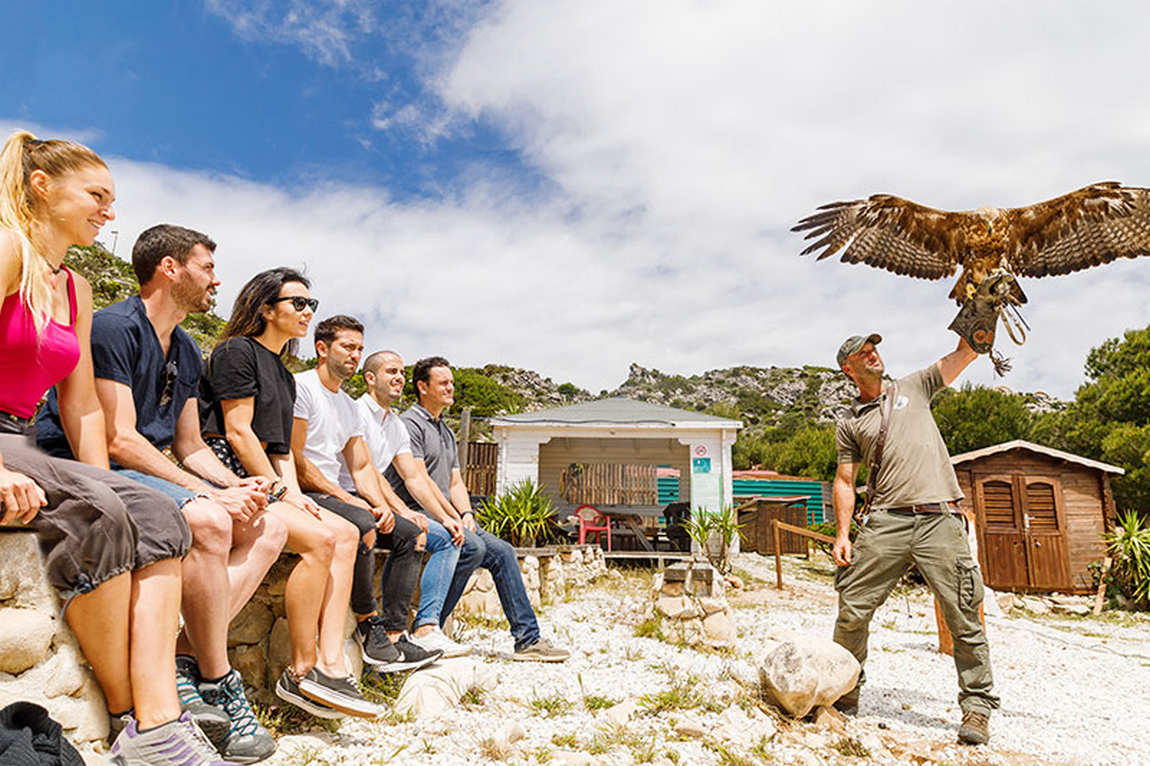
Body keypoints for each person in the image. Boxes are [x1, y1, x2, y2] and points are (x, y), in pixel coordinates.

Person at [0, 131, 225, 765]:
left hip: (23, 436)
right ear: (43, 188)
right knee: (100, 512)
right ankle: (134, 719)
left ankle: (159, 721)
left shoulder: (74, 287)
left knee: (152, 515)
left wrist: (107, 487)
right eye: (96, 194)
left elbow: (81, 408)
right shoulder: (9, 249)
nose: (109, 211)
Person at [37, 224, 286, 762]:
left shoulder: (189, 348)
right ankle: (218, 680)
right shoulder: (112, 327)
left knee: (269, 526)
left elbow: (190, 444)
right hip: (80, 462)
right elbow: (117, 438)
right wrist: (208, 496)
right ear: (170, 269)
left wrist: (237, 484)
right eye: (207, 268)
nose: (217, 280)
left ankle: (177, 656)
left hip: (146, 467)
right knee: (213, 523)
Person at [198, 268, 376, 720]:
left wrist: (296, 494)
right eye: (297, 303)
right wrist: (282, 492)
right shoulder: (237, 352)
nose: (306, 312)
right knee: (320, 541)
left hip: (267, 474)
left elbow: (280, 449)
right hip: (228, 472)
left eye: (310, 305)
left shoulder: (283, 372)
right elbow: (237, 434)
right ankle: (300, 670)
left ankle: (332, 663)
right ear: (265, 308)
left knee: (345, 534)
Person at [831, 333, 999, 745]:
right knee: (852, 608)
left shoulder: (914, 386)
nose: (873, 354)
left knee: (963, 611)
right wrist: (842, 534)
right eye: (862, 352)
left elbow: (965, 353)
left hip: (939, 517)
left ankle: (976, 708)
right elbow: (844, 480)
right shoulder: (851, 422)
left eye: (875, 348)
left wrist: (976, 316)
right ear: (848, 368)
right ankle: (845, 694)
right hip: (886, 520)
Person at [386, 357, 569, 662]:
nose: (450, 387)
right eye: (443, 382)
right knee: (471, 545)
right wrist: (450, 518)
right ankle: (428, 629)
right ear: (422, 387)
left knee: (503, 552)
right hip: (418, 509)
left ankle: (527, 639)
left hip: (445, 512)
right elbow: (421, 481)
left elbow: (455, 481)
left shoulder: (445, 430)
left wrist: (467, 513)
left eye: (452, 382)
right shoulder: (410, 424)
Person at [290, 316, 440, 673]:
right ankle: (367, 624)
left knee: (411, 533)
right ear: (322, 348)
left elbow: (361, 468)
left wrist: (379, 504)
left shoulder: (346, 406)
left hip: (337, 493)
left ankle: (393, 633)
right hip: (306, 490)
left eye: (359, 348)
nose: (355, 355)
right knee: (363, 525)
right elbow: (295, 459)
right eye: (348, 347)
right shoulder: (302, 387)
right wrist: (352, 501)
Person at [357, 350, 470, 658]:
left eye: (401, 372)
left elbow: (414, 478)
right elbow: (365, 471)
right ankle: (409, 630)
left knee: (442, 535)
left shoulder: (394, 423)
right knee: (414, 532)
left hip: (381, 501)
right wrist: (404, 512)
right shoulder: (358, 413)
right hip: (356, 498)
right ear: (370, 378)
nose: (399, 378)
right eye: (391, 371)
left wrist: (448, 516)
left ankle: (403, 632)